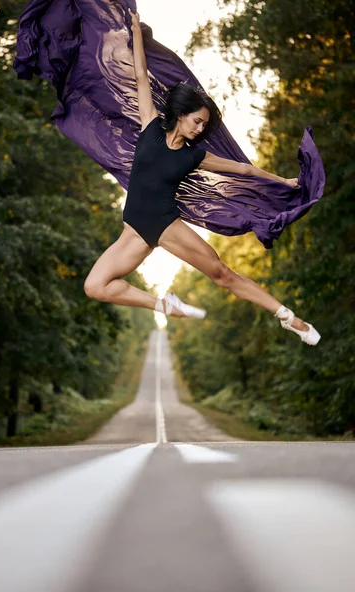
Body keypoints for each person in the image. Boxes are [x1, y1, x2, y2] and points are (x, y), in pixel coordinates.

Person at [83, 9, 320, 346]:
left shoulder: (193, 156)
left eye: (204, 125)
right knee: (95, 286)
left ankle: (287, 317)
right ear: (180, 116)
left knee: (222, 274)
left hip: (165, 225)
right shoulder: (150, 126)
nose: (200, 129)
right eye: (197, 121)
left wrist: (285, 182)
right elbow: (139, 76)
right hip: (134, 229)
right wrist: (135, 34)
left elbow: (244, 170)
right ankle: (165, 304)